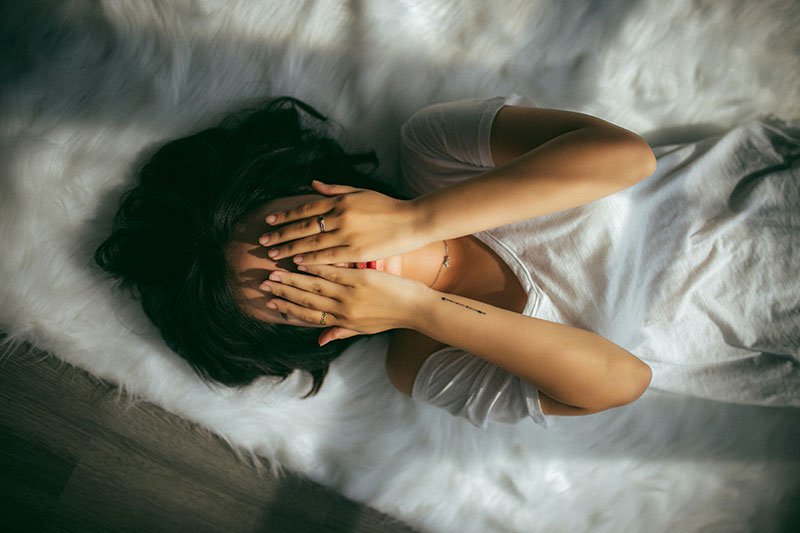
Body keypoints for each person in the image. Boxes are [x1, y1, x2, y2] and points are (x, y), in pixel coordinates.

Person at [96, 95, 800, 429]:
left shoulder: (435, 150)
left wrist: (417, 218)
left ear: (302, 189)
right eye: (290, 291)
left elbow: (625, 159)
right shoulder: (422, 362)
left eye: (291, 243)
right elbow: (621, 379)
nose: (324, 267)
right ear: (307, 328)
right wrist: (416, 308)